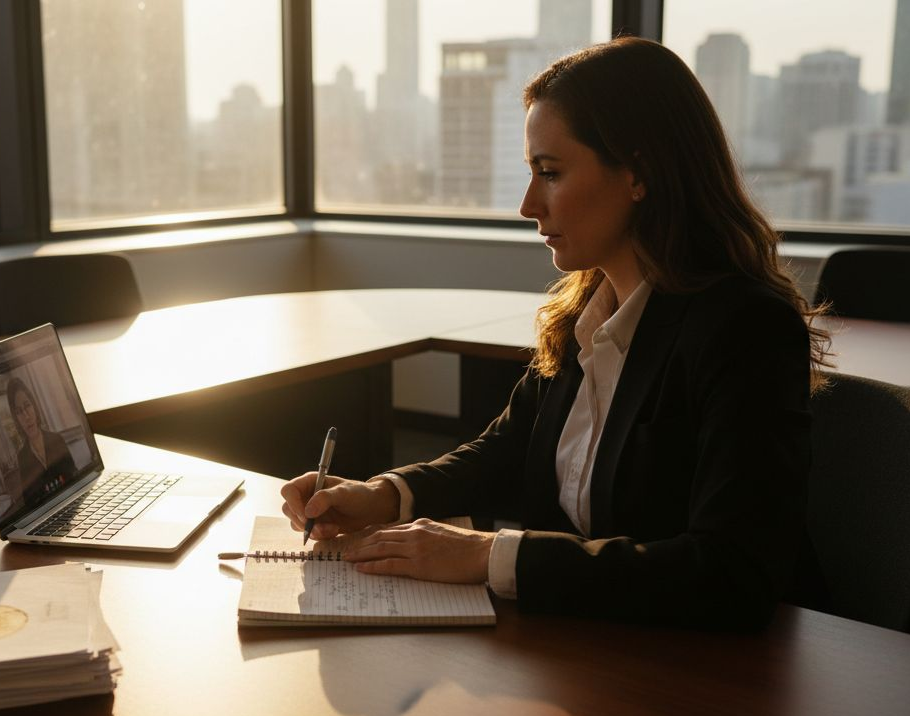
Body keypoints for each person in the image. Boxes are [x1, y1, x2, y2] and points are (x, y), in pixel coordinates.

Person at [280, 36, 832, 630]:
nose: (527, 205)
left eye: (550, 173)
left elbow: (730, 572)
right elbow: (511, 447)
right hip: (591, 642)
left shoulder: (743, 329)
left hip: (709, 673)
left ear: (639, 174)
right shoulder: (585, 313)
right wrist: (384, 495)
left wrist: (488, 555)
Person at [7, 377, 78, 508]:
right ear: (16, 418)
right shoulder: (22, 458)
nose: (26, 416)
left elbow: (74, 478)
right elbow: (30, 504)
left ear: (34, 406)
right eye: (19, 412)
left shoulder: (57, 439)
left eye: (27, 405)